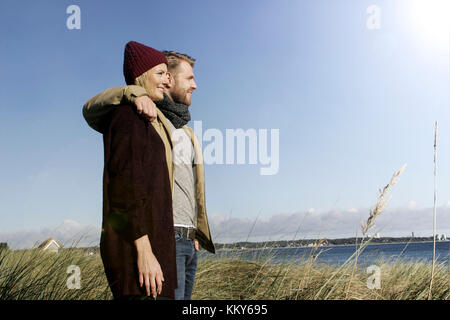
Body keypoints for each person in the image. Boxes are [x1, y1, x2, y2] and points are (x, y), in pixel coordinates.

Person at [83, 41, 215, 300]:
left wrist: (195, 229)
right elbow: (126, 185)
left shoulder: (186, 131)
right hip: (163, 234)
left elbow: (189, 187)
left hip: (187, 239)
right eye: (188, 78)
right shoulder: (141, 114)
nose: (195, 85)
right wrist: (132, 93)